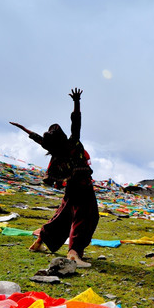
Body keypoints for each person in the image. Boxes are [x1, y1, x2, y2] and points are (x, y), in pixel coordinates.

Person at [10, 88, 99, 268]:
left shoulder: (56, 149)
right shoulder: (72, 142)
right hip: (83, 185)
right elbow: (76, 121)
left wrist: (23, 128)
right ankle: (74, 254)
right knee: (86, 217)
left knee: (63, 216)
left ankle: (41, 240)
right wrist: (76, 101)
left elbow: (36, 138)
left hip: (70, 187)